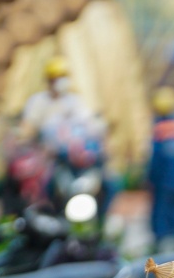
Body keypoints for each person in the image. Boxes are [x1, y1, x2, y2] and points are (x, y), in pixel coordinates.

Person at [19, 56, 110, 215]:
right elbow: (28, 128)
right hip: (52, 159)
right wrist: (31, 138)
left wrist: (100, 133)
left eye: (62, 77)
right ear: (49, 80)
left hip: (76, 158)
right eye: (56, 78)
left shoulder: (75, 101)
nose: (60, 82)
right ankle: (50, 216)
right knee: (45, 188)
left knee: (109, 184)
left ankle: (102, 222)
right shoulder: (39, 102)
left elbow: (90, 124)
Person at [146, 85, 174, 251]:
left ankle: (160, 240)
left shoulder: (159, 128)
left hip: (162, 180)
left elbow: (156, 157)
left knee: (161, 211)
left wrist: (149, 176)